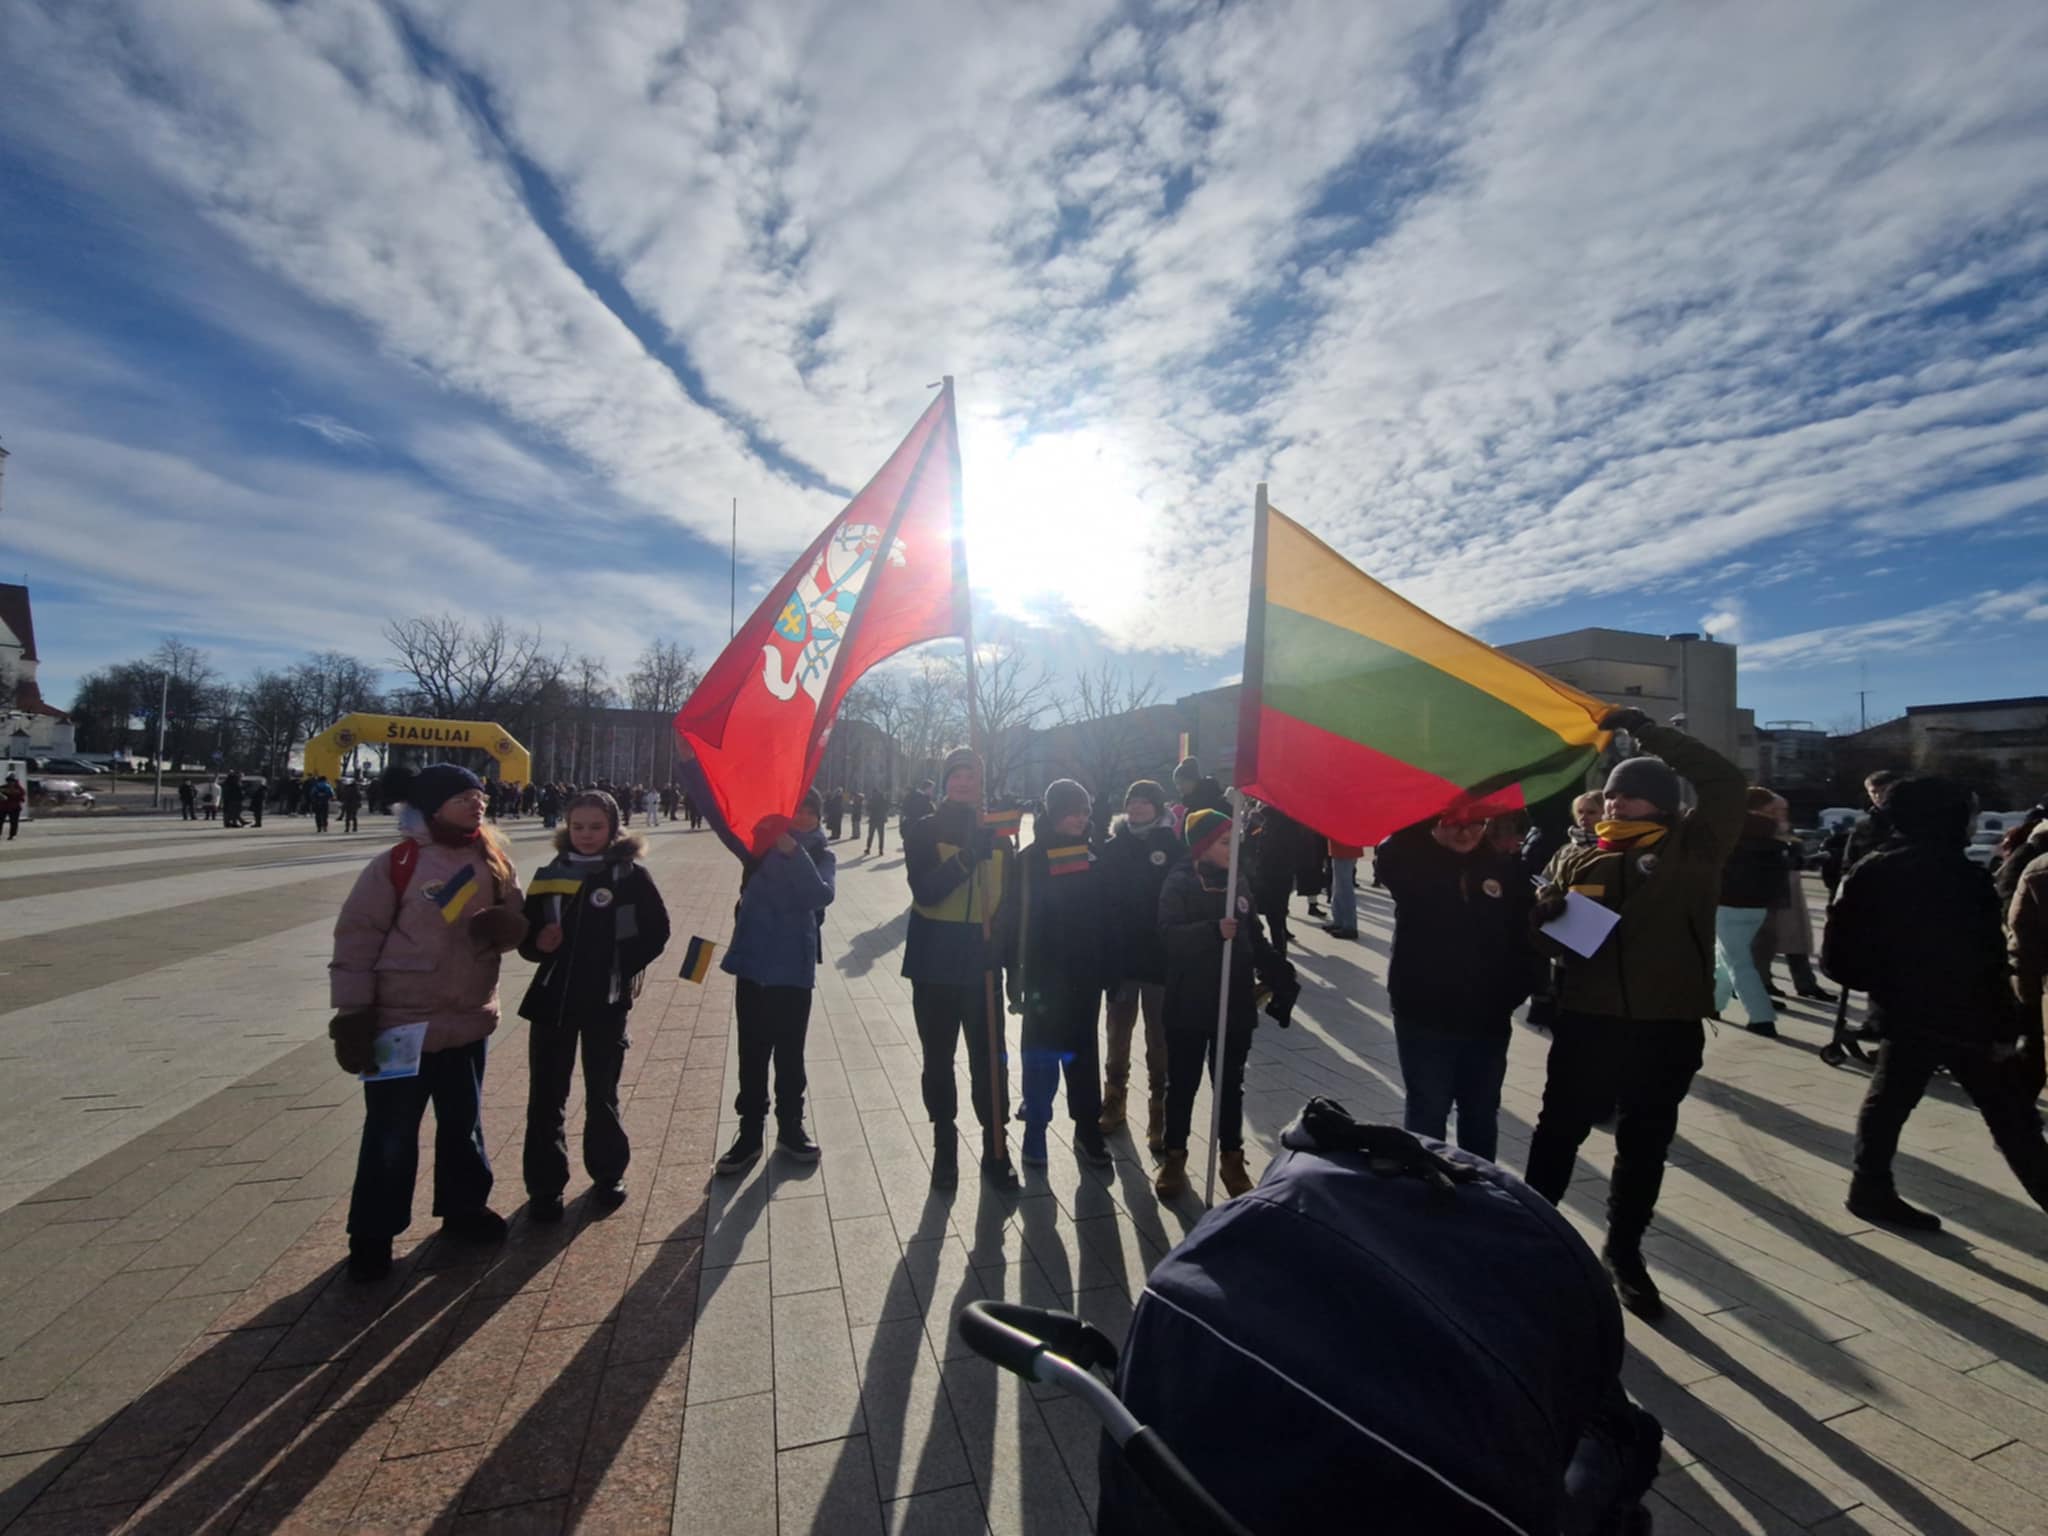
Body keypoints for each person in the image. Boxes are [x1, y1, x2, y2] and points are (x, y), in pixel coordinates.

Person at [1523, 710, 1744, 1320]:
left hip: (1665, 1024)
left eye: (1630, 793)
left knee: (1645, 1143)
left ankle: (1624, 1251)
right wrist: (1543, 924)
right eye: (1612, 791)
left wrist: (1646, 732)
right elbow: (1564, 946)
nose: (1614, 802)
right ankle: (1534, 1239)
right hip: (1588, 1021)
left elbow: (1725, 781)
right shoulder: (1582, 858)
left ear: (1663, 803)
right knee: (1557, 1131)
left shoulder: (1694, 846)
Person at [327, 765, 529, 1281]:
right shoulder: (398, 863)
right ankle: (373, 1232)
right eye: (464, 796)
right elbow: (357, 936)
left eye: (480, 795)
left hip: (467, 1019)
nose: (477, 804)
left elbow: (515, 920)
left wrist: (509, 928)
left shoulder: (495, 859)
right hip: (400, 1024)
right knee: (390, 1133)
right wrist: (352, 1014)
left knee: (463, 1126)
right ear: (434, 805)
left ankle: (464, 1210)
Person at [1826, 776, 2048, 1229]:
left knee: (1888, 1104)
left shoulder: (1869, 870)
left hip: (1903, 1015)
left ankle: (1869, 1188)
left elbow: (1838, 961)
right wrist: (2008, 1028)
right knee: (2013, 1120)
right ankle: (1869, 1190)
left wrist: (1890, 986)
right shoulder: (1963, 878)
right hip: (1968, 1021)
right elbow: (1989, 963)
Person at [517, 789, 671, 1216]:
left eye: (596, 827)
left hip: (605, 1001)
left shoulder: (629, 875)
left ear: (613, 828)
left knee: (602, 1091)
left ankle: (607, 1173)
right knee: (546, 1096)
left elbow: (657, 930)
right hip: (552, 1000)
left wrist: (620, 964)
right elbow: (526, 936)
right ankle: (545, 1187)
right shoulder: (551, 873)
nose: (586, 835)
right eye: (578, 827)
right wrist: (536, 943)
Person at [1375, 810, 1534, 1163]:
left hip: (1487, 1019)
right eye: (1454, 822)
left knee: (1480, 1113)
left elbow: (1523, 940)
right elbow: (1391, 849)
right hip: (1424, 1014)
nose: (1466, 832)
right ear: (1434, 822)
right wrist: (1429, 802)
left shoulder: (1503, 869)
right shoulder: (1410, 862)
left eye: (1476, 822)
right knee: (1427, 1110)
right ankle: (1420, 1192)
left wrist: (1511, 994)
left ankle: (1479, 1195)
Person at [696, 781, 838, 1175]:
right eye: (797, 809)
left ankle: (791, 1126)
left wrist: (794, 854)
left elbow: (820, 896)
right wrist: (690, 766)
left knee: (790, 1052)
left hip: (794, 967)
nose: (803, 816)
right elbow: (719, 815)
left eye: (811, 810)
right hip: (754, 963)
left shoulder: (823, 855)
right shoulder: (756, 847)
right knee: (752, 1051)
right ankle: (749, 1131)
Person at [1156, 807, 1286, 1199]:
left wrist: (1277, 970)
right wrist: (1212, 931)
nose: (1234, 848)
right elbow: (1167, 936)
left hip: (1234, 1004)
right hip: (1189, 1003)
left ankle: (1231, 1156)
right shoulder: (1179, 882)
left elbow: (1253, 934)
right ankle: (1174, 1156)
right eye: (1226, 842)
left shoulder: (1238, 882)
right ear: (1203, 845)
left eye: (1235, 841)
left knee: (1230, 1086)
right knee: (1182, 1084)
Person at [902, 748, 1017, 1182]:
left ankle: (995, 1143)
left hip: (983, 962)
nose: (964, 782)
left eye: (972, 775)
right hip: (934, 962)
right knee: (938, 1055)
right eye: (957, 775)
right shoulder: (924, 829)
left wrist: (1011, 960)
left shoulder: (999, 832)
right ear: (945, 780)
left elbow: (1013, 899)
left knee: (990, 1057)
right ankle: (944, 1140)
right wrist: (968, 858)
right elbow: (926, 891)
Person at [1007, 779, 1116, 1169]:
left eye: (1084, 811)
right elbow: (1014, 922)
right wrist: (1013, 974)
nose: (1079, 818)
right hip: (1040, 979)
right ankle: (1036, 1126)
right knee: (1040, 1056)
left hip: (1083, 981)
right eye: (1072, 811)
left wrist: (1108, 970)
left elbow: (1107, 921)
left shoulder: (1094, 859)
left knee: (1083, 1057)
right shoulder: (1030, 860)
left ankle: (1087, 1129)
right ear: (1053, 814)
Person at [1098, 780, 1181, 1151]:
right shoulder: (1113, 847)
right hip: (1122, 958)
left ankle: (1158, 1110)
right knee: (1117, 1031)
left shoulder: (1173, 847)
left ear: (1159, 808)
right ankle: (1114, 1097)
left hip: (1161, 959)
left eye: (1146, 802)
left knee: (1160, 1038)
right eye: (1132, 801)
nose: (1137, 807)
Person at [1713, 788, 1786, 1036]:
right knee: (1726, 958)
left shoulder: (1727, 831)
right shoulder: (1772, 835)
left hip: (1726, 905)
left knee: (1738, 963)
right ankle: (1713, 1004)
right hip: (1758, 907)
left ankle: (1762, 1018)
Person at [1248, 801, 1301, 957]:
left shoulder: (1267, 819)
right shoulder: (1288, 818)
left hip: (1269, 876)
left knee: (1271, 919)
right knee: (1277, 917)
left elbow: (1256, 845)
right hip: (1282, 875)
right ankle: (1279, 953)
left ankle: (1277, 956)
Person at [1322, 832, 1364, 940]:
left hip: (1345, 848)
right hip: (1340, 848)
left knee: (1344, 889)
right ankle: (1339, 921)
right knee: (1338, 888)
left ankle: (1349, 927)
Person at [1171, 757, 1229, 830]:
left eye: (1182, 782)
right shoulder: (1191, 805)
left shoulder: (1214, 801)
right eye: (1176, 784)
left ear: (1193, 779)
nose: (1179, 787)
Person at [865, 786, 892, 856]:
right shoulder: (882, 798)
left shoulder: (872, 799)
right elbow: (887, 807)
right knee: (881, 836)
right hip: (881, 820)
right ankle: (881, 850)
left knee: (870, 835)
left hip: (873, 819)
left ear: (873, 792)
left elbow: (868, 808)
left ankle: (868, 849)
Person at [0, 773, 23, 840]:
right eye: (9, 780)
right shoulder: (3, 787)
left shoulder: (19, 788)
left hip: (14, 808)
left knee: (14, 822)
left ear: (15, 781)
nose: (10, 782)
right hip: (3, 807)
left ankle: (12, 835)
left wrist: (6, 792)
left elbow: (18, 793)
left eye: (12, 780)